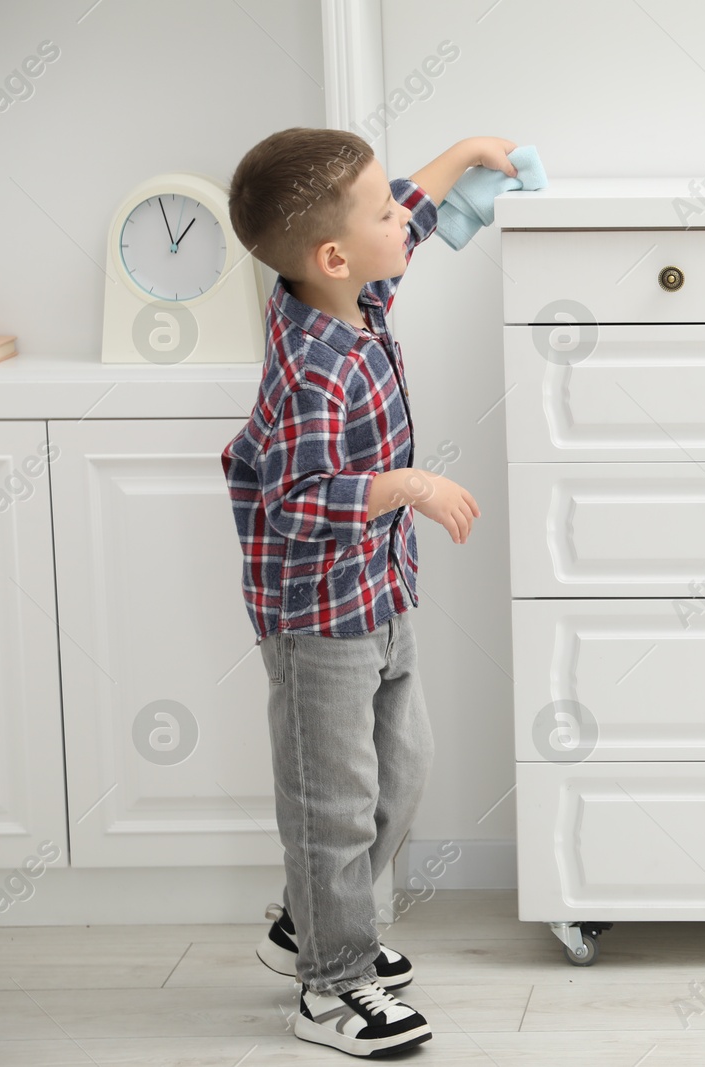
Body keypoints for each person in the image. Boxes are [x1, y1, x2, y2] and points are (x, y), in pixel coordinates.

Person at [220, 126, 508, 1057]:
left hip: (378, 596)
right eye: (383, 209)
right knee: (331, 803)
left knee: (403, 769)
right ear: (335, 255)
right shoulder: (312, 368)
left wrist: (463, 154)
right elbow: (296, 499)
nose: (404, 218)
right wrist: (408, 487)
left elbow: (408, 217)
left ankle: (315, 921)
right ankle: (331, 984)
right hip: (316, 620)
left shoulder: (353, 295)